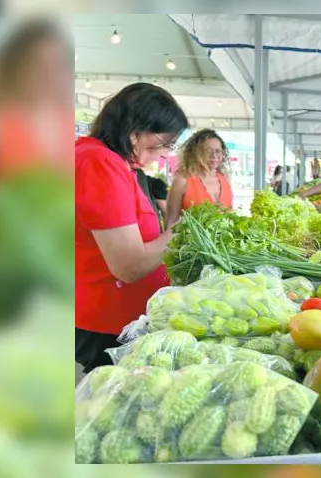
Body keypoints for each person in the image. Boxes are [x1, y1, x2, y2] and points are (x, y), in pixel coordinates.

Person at [76, 83, 188, 373]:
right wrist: (178, 232)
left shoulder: (110, 162)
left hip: (115, 317)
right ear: (134, 131)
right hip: (106, 322)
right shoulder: (99, 162)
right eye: (164, 142)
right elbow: (129, 265)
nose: (164, 153)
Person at [0, 17, 73, 179]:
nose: (48, 74)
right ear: (17, 67)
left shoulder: (66, 121)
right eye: (37, 64)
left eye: (57, 65)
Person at [165, 128, 234, 226]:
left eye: (218, 151)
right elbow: (171, 222)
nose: (214, 155)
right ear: (196, 153)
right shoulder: (183, 180)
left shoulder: (225, 178)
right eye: (208, 151)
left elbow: (231, 218)